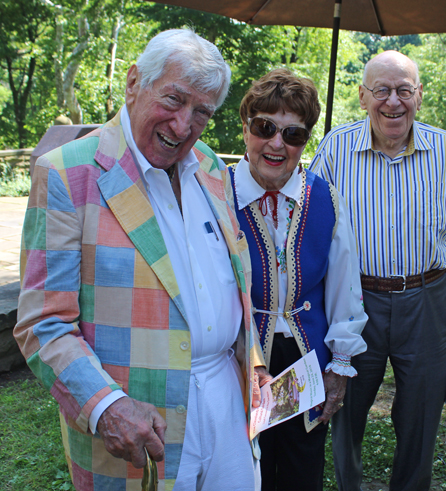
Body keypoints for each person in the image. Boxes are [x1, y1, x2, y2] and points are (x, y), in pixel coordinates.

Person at [14, 28, 271, 491]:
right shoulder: (68, 173)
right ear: (134, 82)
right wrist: (107, 406)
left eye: (202, 113)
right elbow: (43, 324)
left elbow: (231, 286)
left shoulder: (210, 166)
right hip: (139, 417)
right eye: (173, 100)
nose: (182, 126)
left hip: (228, 404)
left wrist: (250, 362)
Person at [310, 50, 446, 491]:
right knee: (344, 409)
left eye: (404, 90)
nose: (393, 101)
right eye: (381, 90)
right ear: (363, 96)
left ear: (419, 96)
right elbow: (308, 228)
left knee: (422, 416)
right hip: (353, 302)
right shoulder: (335, 148)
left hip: (429, 300)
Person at [228, 68, 368, 491]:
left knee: (300, 471)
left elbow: (345, 286)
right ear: (247, 126)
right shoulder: (214, 194)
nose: (276, 143)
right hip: (237, 361)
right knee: (244, 468)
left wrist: (339, 365)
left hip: (305, 363)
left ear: (305, 142)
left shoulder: (325, 197)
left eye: (293, 134)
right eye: (265, 127)